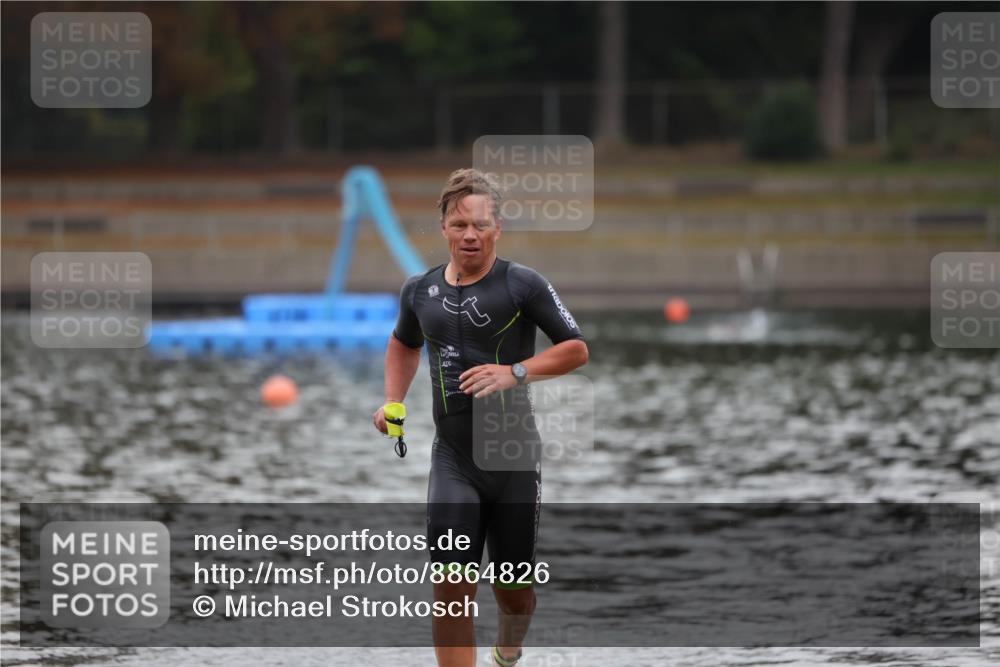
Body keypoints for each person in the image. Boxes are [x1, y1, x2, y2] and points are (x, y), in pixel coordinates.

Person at [373, 168, 589, 667]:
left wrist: (515, 371)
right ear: (444, 228)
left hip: (513, 457)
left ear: (498, 228)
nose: (470, 234)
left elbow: (576, 350)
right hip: (453, 458)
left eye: (481, 225)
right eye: (459, 224)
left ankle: (510, 645)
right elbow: (403, 344)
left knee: (512, 591)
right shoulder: (418, 291)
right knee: (451, 584)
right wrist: (391, 401)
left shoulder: (522, 285)